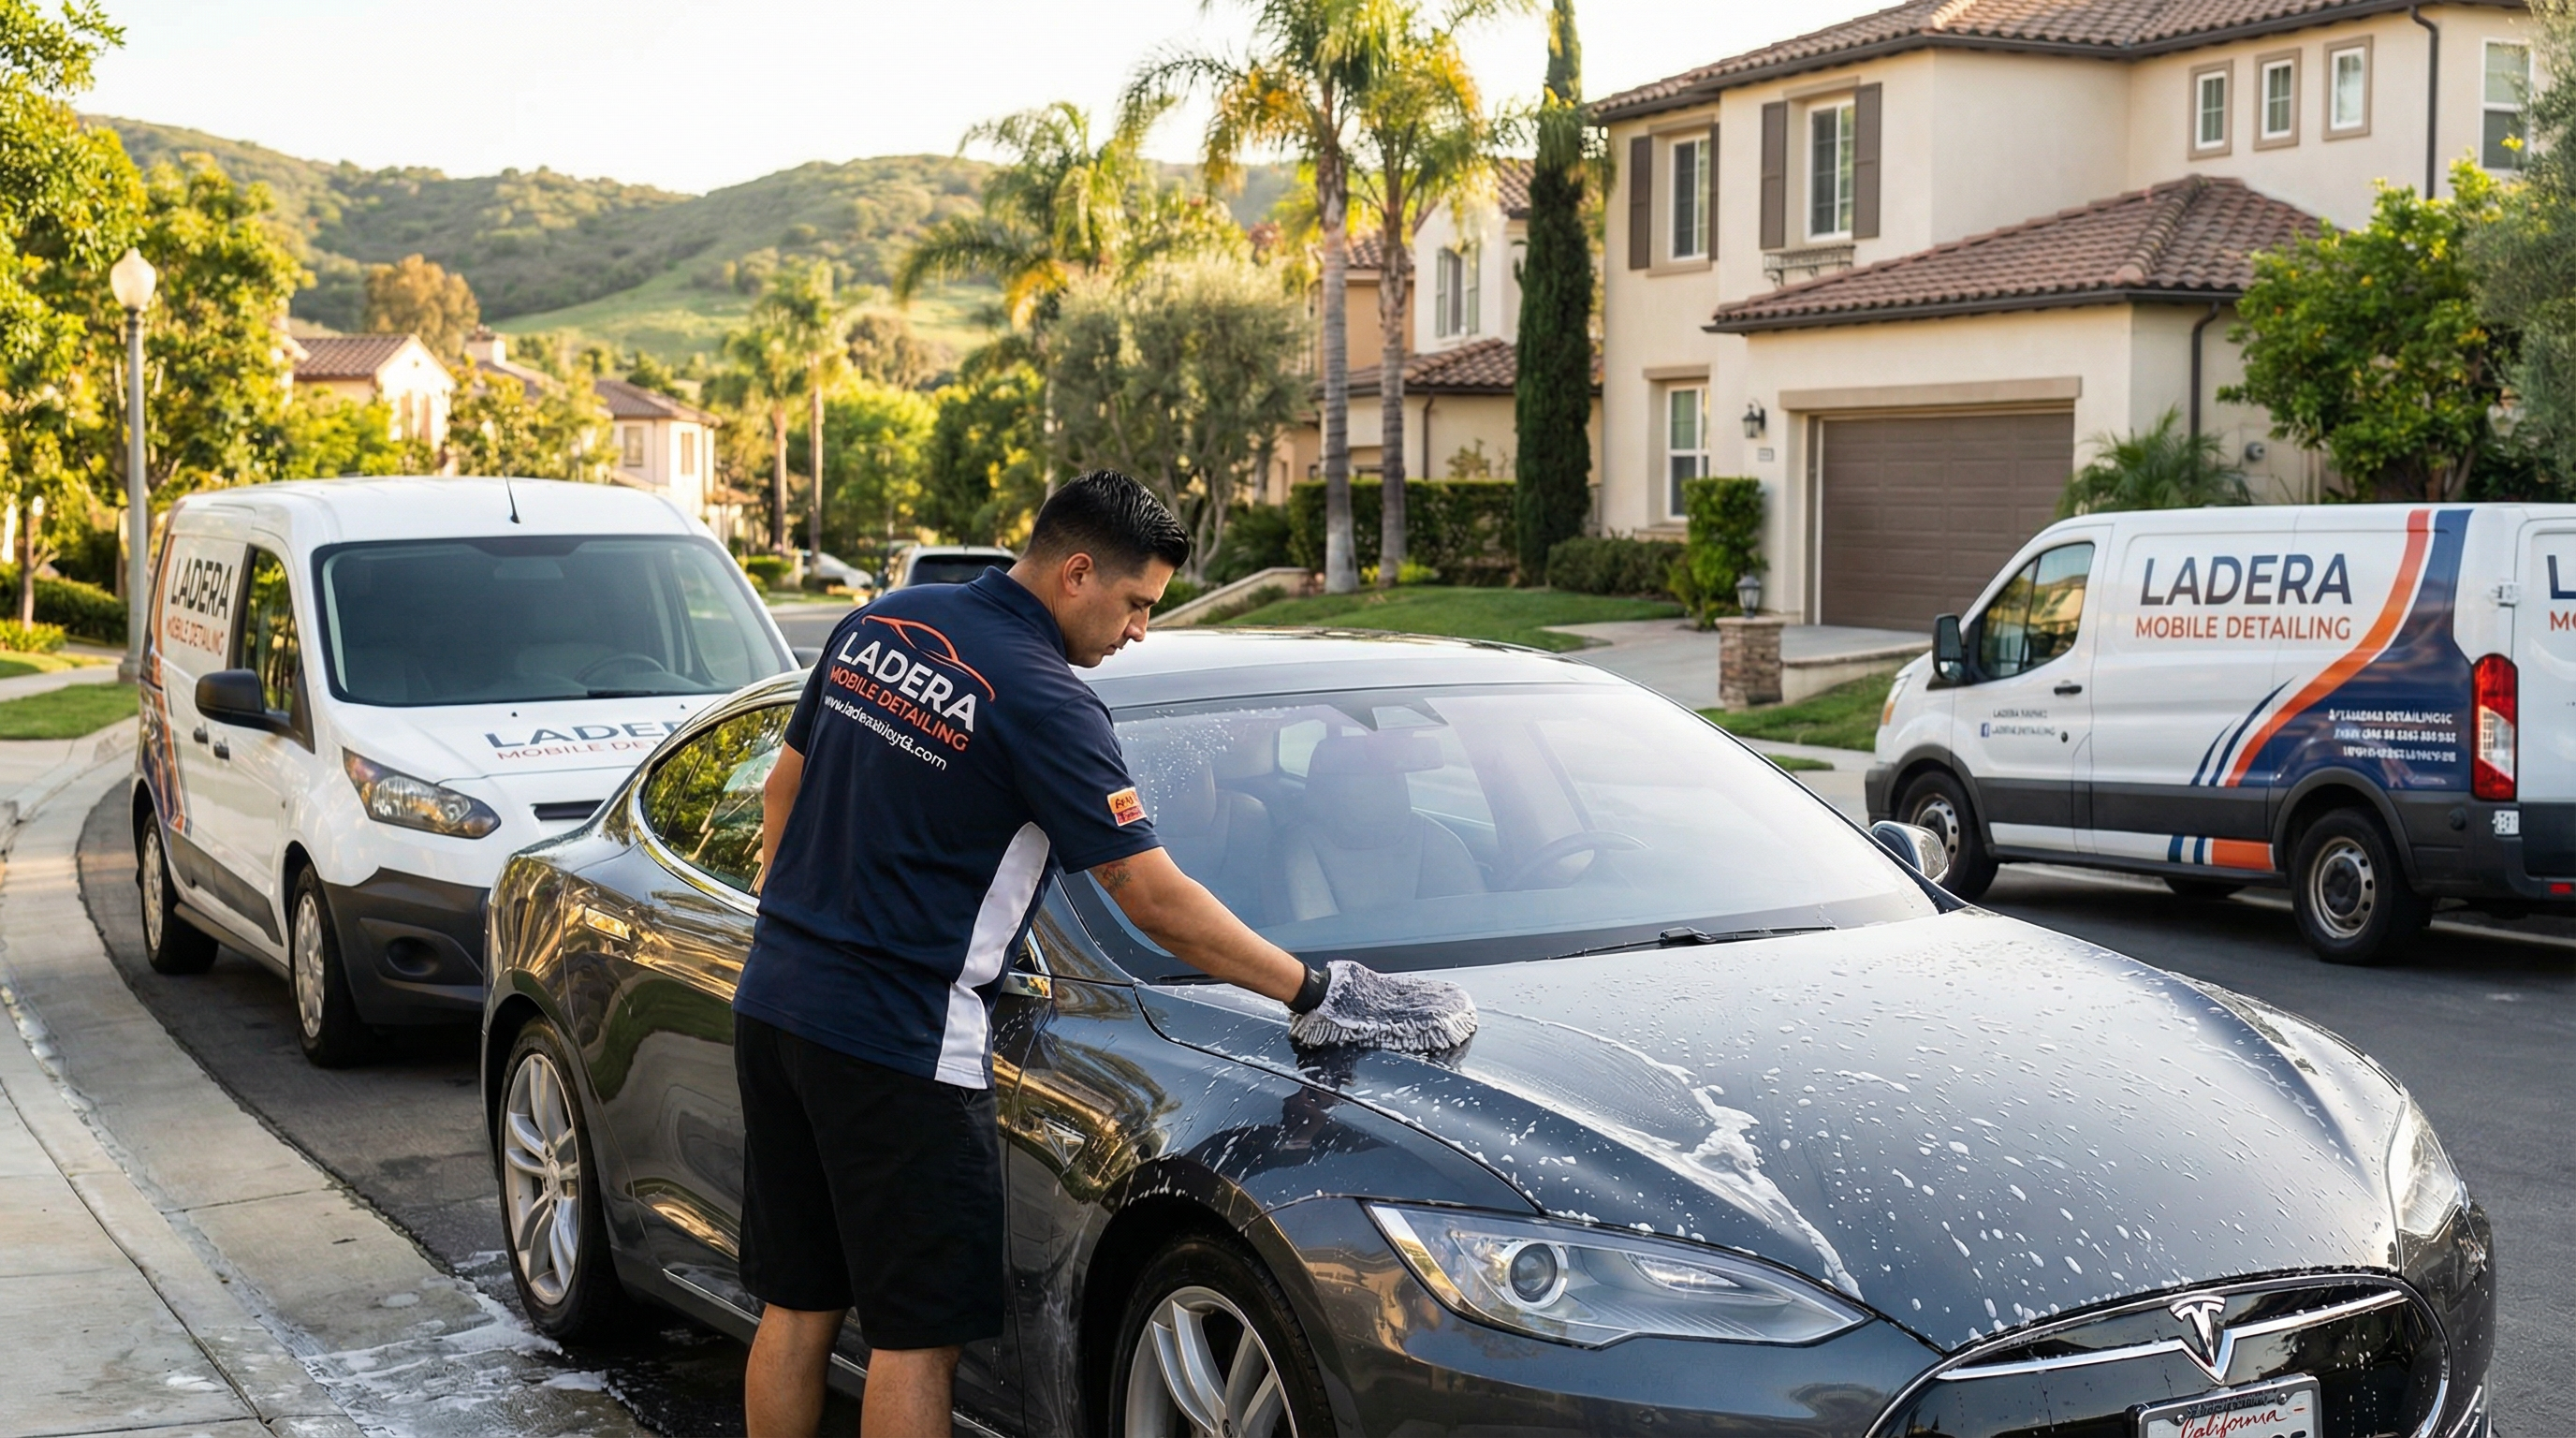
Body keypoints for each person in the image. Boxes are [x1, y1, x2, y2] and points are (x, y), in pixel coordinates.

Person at [734, 471, 1329, 1437]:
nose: (1138, 631)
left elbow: (780, 795)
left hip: (774, 1006)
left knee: (797, 1307)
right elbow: (1151, 900)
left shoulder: (881, 624)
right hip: (902, 1045)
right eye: (1136, 605)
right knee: (913, 1337)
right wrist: (1312, 986)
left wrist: (807, 933)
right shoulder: (1048, 701)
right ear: (1077, 573)